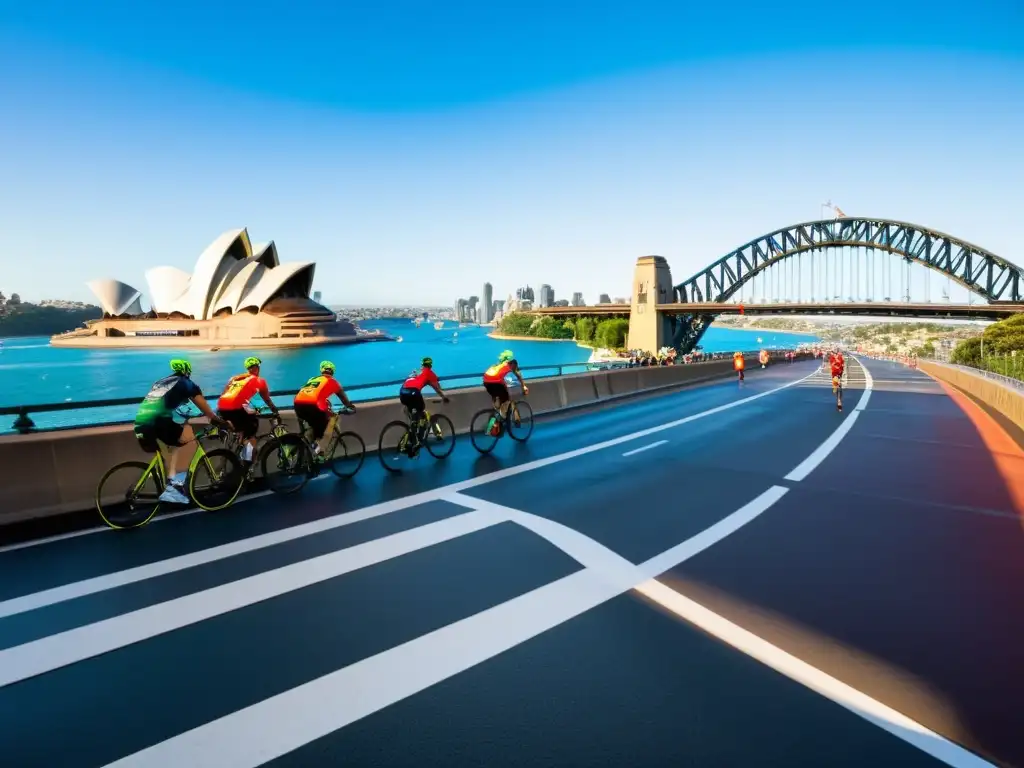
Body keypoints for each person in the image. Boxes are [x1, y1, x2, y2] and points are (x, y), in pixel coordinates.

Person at [133, 359, 228, 504]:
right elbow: (202, 405)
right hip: (158, 421)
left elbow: (170, 404)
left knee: (172, 449)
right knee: (189, 440)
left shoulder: (161, 383)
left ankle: (169, 484)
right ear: (187, 372)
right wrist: (216, 420)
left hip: (140, 422)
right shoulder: (186, 383)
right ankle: (173, 489)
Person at [217, 356, 279, 469]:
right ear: (257, 368)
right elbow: (267, 400)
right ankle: (247, 467)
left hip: (222, 408)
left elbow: (224, 395)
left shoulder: (234, 379)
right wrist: (275, 411)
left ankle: (236, 447)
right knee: (251, 435)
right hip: (237, 409)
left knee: (242, 425)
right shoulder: (260, 381)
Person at [293, 360, 356, 460]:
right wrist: (351, 407)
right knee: (327, 424)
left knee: (313, 425)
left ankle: (309, 450)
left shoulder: (313, 379)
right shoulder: (333, 382)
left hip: (297, 403)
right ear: (332, 372)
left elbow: (311, 392)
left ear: (322, 371)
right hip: (312, 405)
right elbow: (344, 400)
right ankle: (318, 452)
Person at [399, 357, 450, 448]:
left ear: (422, 364)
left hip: (403, 392)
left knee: (412, 414)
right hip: (414, 392)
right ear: (430, 365)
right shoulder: (429, 373)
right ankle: (418, 440)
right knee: (422, 412)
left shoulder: (416, 371)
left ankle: (411, 436)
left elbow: (409, 382)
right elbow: (437, 388)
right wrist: (444, 397)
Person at [482, 349, 528, 435]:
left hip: (487, 382)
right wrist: (523, 386)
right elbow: (518, 375)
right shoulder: (511, 364)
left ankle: (491, 427)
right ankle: (502, 422)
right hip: (498, 384)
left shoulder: (496, 365)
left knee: (497, 405)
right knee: (507, 401)